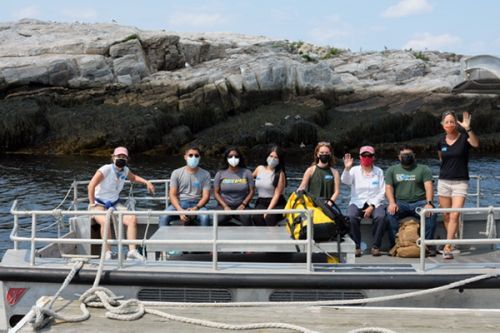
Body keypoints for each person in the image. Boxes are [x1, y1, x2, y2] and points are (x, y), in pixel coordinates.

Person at [88, 147, 155, 260]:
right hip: (99, 203)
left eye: (124, 157)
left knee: (132, 219)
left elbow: (133, 178)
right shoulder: (106, 169)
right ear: (113, 157)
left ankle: (132, 251)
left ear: (127, 159)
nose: (121, 158)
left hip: (115, 203)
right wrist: (91, 204)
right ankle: (107, 252)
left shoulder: (125, 170)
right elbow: (91, 186)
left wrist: (146, 182)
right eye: (119, 156)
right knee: (105, 221)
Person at [437, 111, 479, 259]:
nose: (449, 124)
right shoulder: (440, 140)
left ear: (456, 123)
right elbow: (442, 159)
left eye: (452, 121)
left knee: (455, 215)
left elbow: (475, 143)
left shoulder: (464, 138)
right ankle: (452, 241)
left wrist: (468, 128)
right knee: (446, 215)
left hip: (461, 182)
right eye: (446, 122)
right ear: (442, 125)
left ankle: (447, 247)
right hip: (444, 181)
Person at [385, 146, 437, 256]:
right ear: (399, 157)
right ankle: (394, 245)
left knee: (431, 214)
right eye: (404, 155)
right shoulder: (392, 170)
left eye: (409, 155)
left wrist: (429, 203)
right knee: (390, 214)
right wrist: (392, 203)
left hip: (420, 202)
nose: (406, 157)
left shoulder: (423, 169)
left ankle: (428, 244)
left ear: (414, 156)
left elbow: (428, 187)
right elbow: (388, 187)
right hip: (400, 203)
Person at [342, 146, 386, 257]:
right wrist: (347, 169)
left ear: (373, 157)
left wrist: (372, 206)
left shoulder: (379, 171)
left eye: (369, 156)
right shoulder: (354, 170)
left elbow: (382, 192)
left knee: (380, 217)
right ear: (360, 157)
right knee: (351, 217)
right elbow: (345, 181)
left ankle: (376, 246)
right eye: (364, 155)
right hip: (357, 202)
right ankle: (356, 246)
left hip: (374, 203)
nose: (366, 158)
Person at [159, 146, 211, 227]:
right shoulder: (176, 173)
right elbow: (172, 195)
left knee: (205, 218)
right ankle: (164, 240)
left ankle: (205, 239)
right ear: (185, 157)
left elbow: (206, 196)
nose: (193, 157)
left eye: (196, 155)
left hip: (198, 204)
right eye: (190, 155)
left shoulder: (206, 174)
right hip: (180, 203)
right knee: (163, 216)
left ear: (199, 158)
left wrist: (196, 208)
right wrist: (180, 210)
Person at [213, 147, 255, 226]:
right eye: (230, 156)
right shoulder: (220, 173)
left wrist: (243, 204)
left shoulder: (247, 172)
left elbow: (252, 191)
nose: (233, 158)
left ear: (240, 158)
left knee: (246, 218)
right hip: (223, 206)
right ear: (226, 158)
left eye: (236, 156)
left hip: (242, 205)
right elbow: (216, 192)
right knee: (218, 220)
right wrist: (225, 206)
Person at [252, 145, 287, 226]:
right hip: (261, 201)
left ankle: (271, 237)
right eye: (271, 156)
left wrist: (268, 211)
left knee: (269, 217)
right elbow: (248, 179)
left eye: (276, 157)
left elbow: (277, 194)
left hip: (277, 203)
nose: (272, 159)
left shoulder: (280, 174)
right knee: (256, 217)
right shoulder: (259, 169)